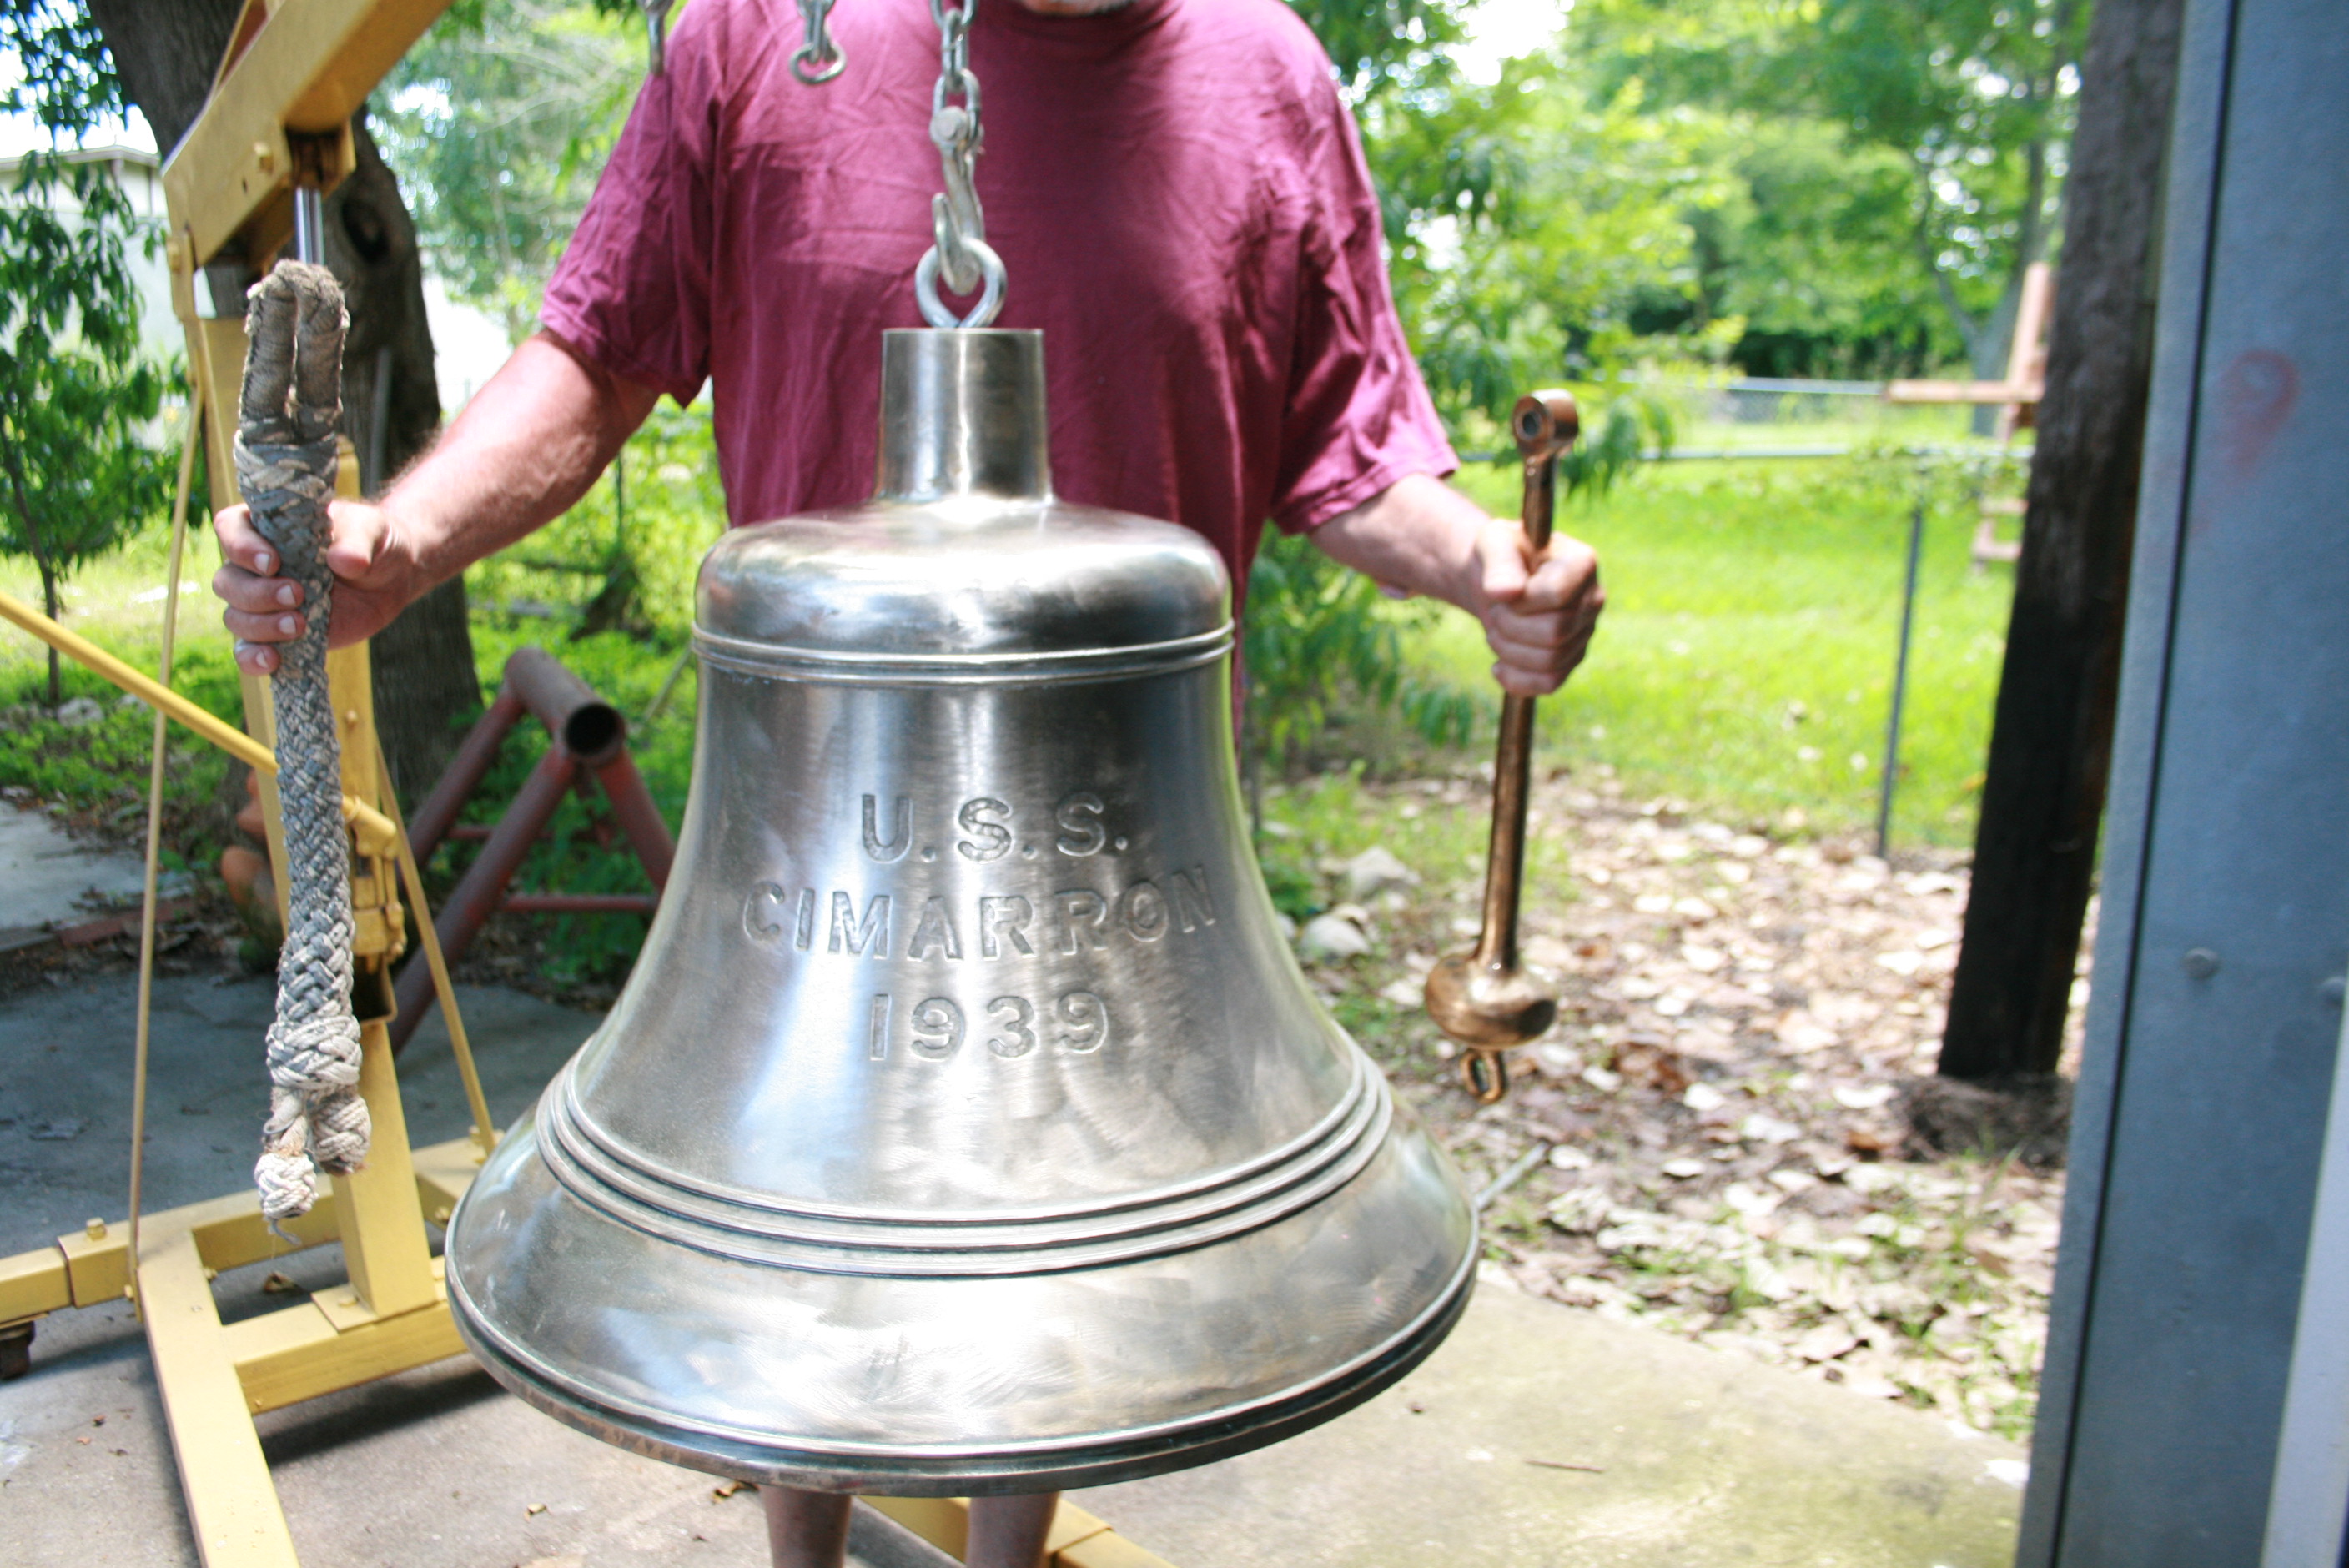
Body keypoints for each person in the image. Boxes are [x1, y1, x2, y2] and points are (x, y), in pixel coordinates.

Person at [212, 0, 1603, 1560]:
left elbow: (1348, 450)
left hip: (1112, 825)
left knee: (1055, 1234)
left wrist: (1484, 566)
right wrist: (402, 543)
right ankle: (798, 1551)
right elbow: (598, 352)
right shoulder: (754, 33)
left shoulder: (1265, 71)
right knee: (796, 1197)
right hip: (827, 818)